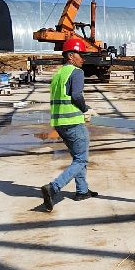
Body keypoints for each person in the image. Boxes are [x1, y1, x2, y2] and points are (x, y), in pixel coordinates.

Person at [41, 36, 98, 209]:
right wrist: (85, 109)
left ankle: (82, 191)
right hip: (73, 122)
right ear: (71, 56)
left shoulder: (58, 74)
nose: (83, 59)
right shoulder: (76, 72)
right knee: (81, 160)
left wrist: (84, 107)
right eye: (81, 55)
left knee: (78, 157)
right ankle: (54, 187)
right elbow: (76, 95)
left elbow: (65, 97)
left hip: (59, 123)